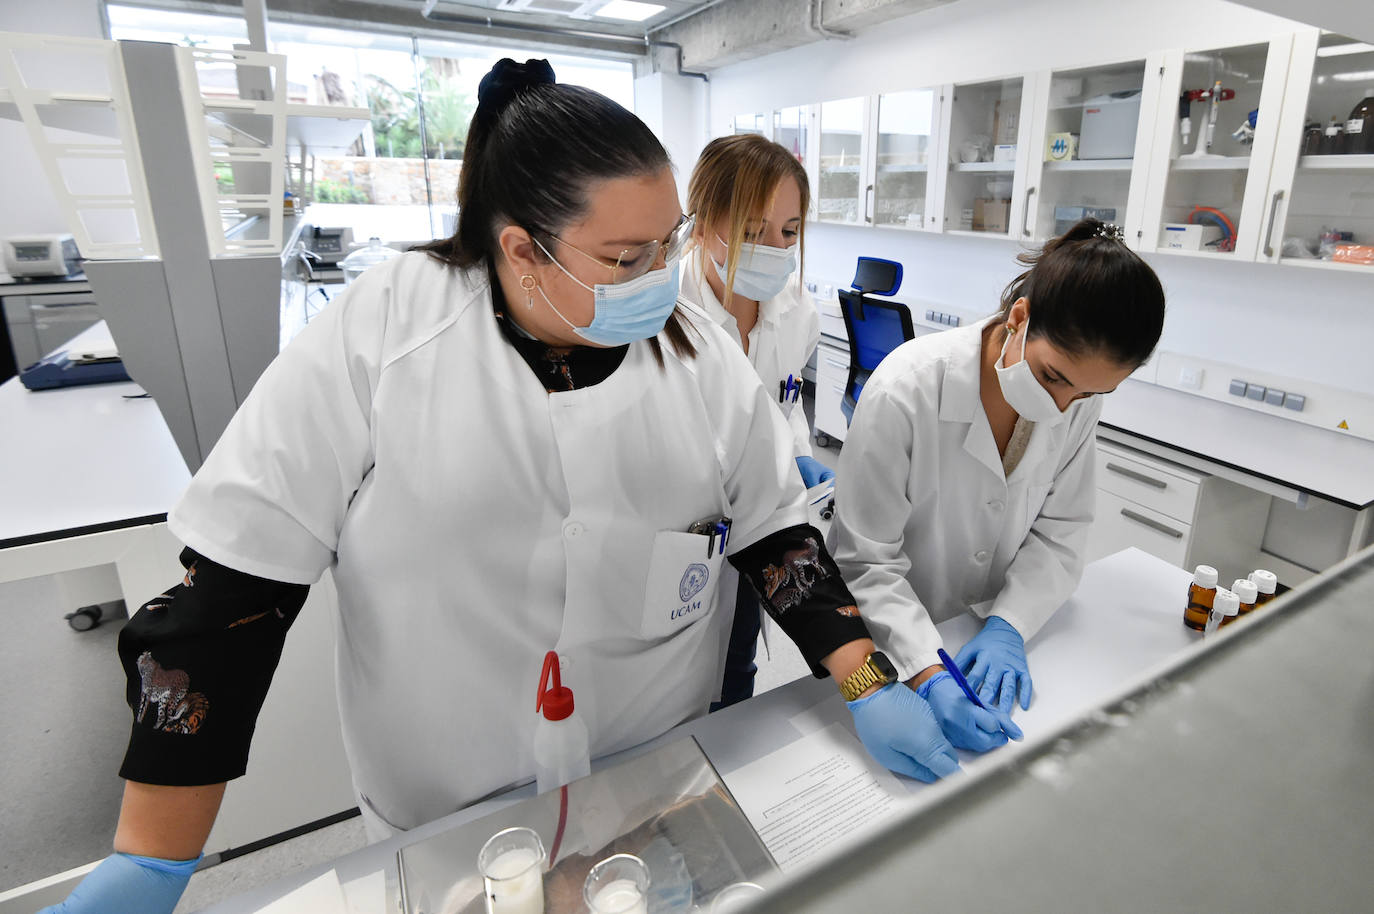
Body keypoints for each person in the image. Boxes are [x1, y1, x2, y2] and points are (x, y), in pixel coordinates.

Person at [42, 60, 959, 914]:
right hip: (447, 804)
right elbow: (232, 596)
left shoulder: (696, 350)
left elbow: (778, 538)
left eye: (664, 244)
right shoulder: (385, 331)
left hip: (651, 782)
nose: (658, 279)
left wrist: (868, 679)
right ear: (522, 251)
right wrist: (153, 852)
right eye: (622, 258)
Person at [828, 218, 1166, 754]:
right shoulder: (906, 390)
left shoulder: (1078, 398)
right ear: (1020, 318)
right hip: (896, 650)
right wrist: (926, 671)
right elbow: (864, 561)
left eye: (1088, 394)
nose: (1062, 407)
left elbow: (1061, 532)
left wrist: (1009, 624)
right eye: (1053, 377)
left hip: (994, 633)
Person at [679, 134, 830, 709]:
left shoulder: (798, 311)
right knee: (674, 681)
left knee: (737, 659)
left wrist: (794, 450)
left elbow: (784, 400)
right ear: (700, 225)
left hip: (762, 523)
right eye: (749, 230)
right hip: (682, 530)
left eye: (788, 232)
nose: (773, 249)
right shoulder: (668, 313)